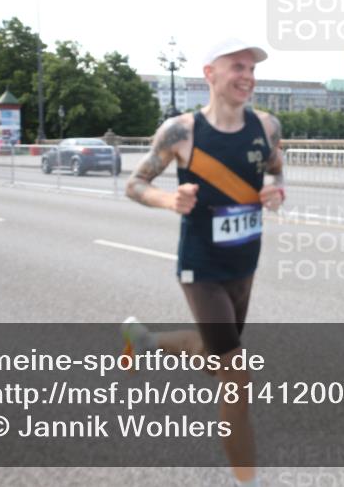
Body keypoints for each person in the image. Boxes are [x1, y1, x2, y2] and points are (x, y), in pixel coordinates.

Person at [123, 38, 284, 487]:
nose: (247, 76)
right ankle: (246, 480)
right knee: (235, 372)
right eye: (237, 67)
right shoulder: (181, 132)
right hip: (201, 266)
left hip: (245, 264)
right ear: (210, 73)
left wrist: (276, 189)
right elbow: (135, 184)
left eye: (252, 68)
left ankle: (146, 341)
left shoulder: (267, 126)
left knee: (218, 359)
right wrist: (167, 198)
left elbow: (275, 166)